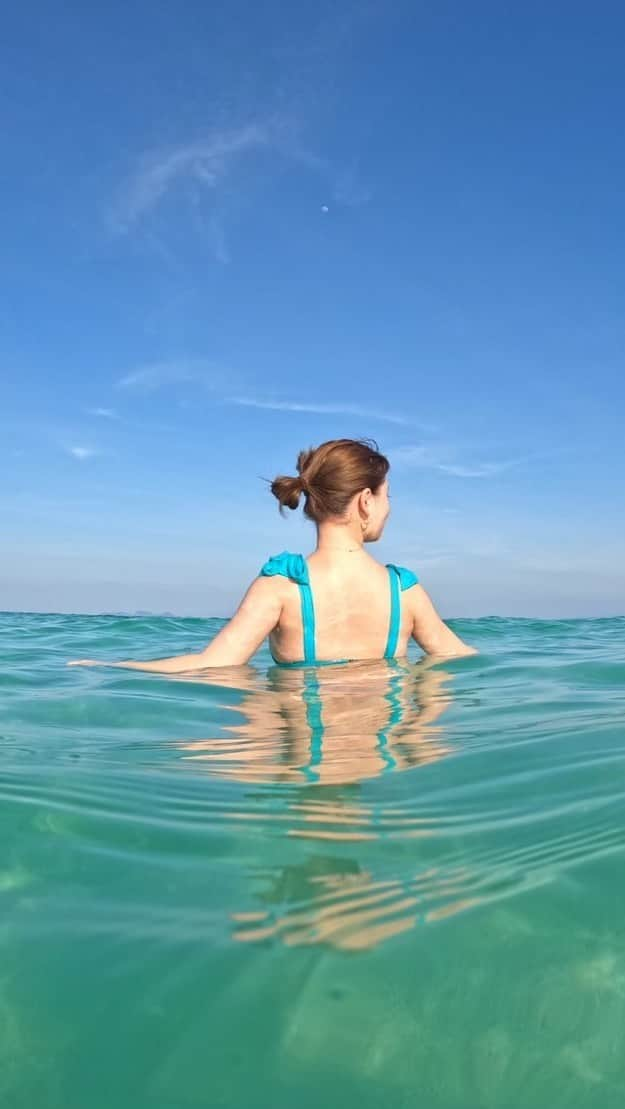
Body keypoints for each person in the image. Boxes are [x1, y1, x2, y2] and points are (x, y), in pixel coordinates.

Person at [68, 438, 476, 672]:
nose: (390, 507)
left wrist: (110, 666)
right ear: (366, 501)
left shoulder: (281, 587)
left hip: (302, 754)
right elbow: (460, 662)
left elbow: (211, 665)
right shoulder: (404, 592)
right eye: (388, 496)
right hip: (383, 756)